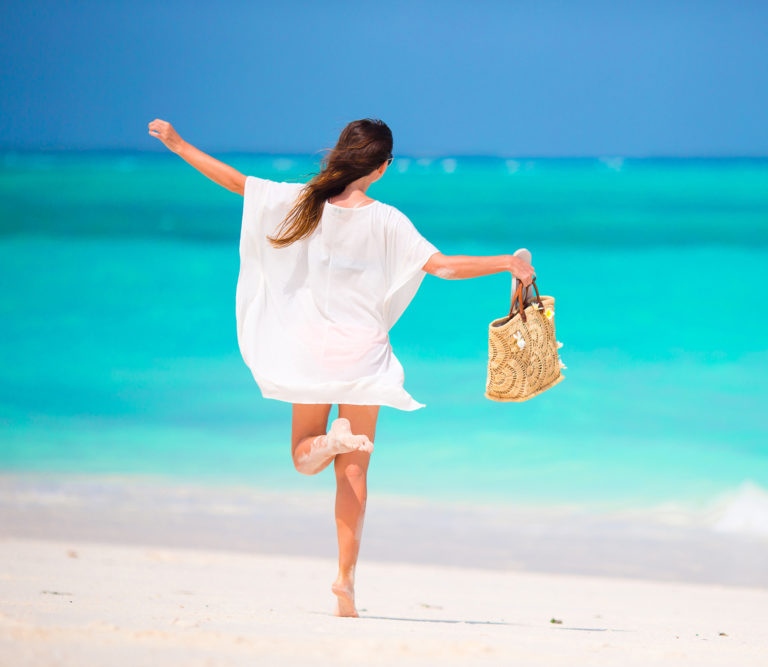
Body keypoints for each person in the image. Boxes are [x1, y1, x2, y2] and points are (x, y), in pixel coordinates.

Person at [147, 117, 535, 617]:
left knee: (302, 456)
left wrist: (179, 144)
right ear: (382, 167)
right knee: (354, 475)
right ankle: (345, 581)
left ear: (342, 154)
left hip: (307, 350)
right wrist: (508, 261)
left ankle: (327, 441)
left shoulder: (301, 201)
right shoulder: (387, 219)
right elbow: (443, 266)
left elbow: (236, 183)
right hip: (363, 353)